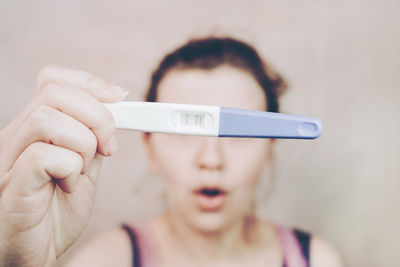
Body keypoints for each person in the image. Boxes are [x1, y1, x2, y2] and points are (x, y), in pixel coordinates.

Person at [0, 37, 343, 267]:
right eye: (184, 134)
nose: (211, 159)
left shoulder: (317, 260)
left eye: (239, 135)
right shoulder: (105, 261)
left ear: (270, 148)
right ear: (150, 148)